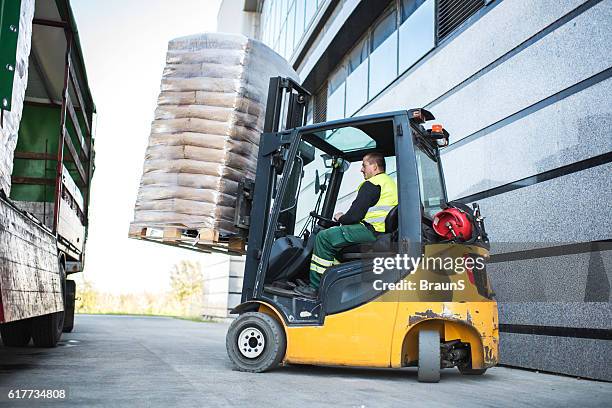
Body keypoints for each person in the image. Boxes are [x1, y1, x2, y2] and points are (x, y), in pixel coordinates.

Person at [299, 152, 398, 296]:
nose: (361, 170)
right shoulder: (390, 184)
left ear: (375, 167)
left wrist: (340, 218)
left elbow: (354, 216)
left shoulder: (372, 184)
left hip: (370, 231)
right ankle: (336, 281)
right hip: (381, 233)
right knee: (337, 245)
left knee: (323, 238)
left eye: (364, 165)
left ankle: (315, 287)